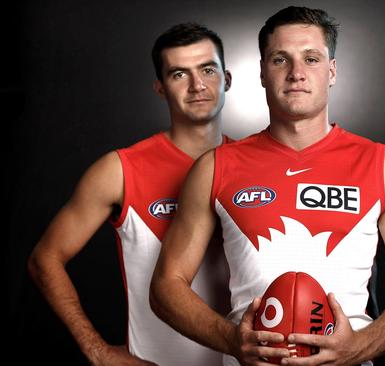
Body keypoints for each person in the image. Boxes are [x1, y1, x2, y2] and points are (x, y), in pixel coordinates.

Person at [149, 6, 385, 366]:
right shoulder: (215, 167)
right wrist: (230, 339)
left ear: (332, 71)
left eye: (312, 59)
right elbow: (165, 286)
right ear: (262, 73)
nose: (297, 73)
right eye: (280, 60)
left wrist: (359, 347)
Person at [27, 23, 232, 365]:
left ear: (226, 78)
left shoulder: (254, 167)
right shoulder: (120, 170)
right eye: (179, 74)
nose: (197, 85)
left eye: (207, 70)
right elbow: (44, 259)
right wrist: (98, 351)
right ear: (160, 88)